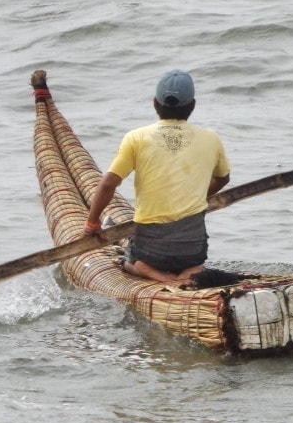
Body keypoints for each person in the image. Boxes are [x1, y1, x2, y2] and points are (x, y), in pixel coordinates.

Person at [84, 69, 231, 283]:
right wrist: (197, 194)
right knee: (194, 262)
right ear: (193, 105)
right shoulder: (211, 138)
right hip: (191, 247)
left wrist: (92, 223)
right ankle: (189, 272)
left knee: (129, 262)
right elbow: (223, 178)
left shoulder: (136, 137)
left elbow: (108, 184)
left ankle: (145, 269)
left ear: (155, 103)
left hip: (151, 248)